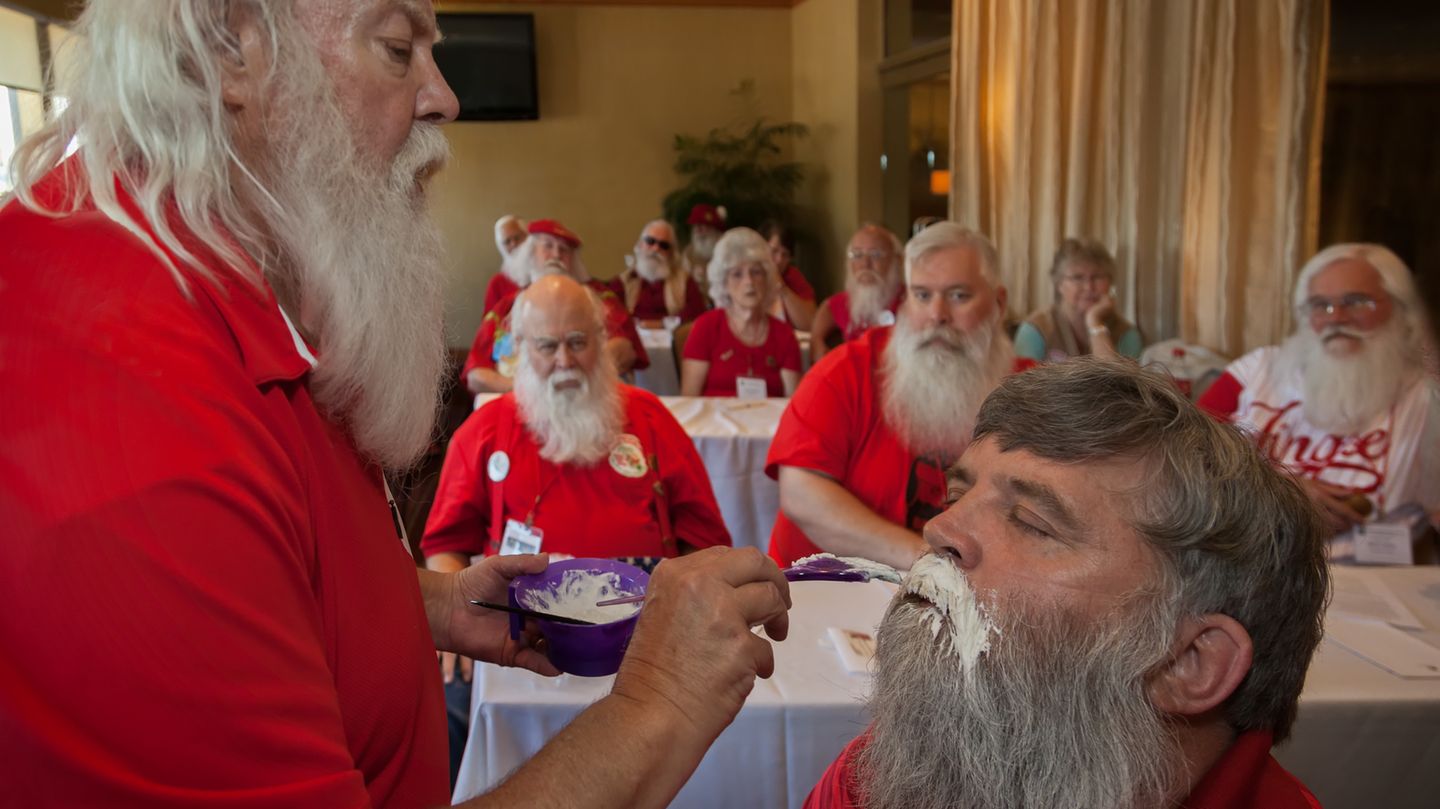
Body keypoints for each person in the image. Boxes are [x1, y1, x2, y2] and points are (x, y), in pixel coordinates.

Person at [0, 2, 792, 807]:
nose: (443, 96)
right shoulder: (135, 422)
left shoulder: (223, 283)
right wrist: (657, 704)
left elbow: (266, 564)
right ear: (228, 47)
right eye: (395, 47)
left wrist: (428, 603)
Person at [806, 358, 1330, 809]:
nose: (940, 529)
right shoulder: (879, 774)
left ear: (1186, 662)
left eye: (1032, 521)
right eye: (956, 496)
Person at [422, 275, 732, 785]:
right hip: (519, 637)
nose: (564, 361)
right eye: (547, 346)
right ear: (520, 350)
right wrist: (457, 626)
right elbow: (445, 546)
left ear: (603, 342)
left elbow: (708, 543)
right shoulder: (483, 431)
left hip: (646, 640)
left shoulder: (651, 419)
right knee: (450, 707)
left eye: (578, 342)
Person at [767, 222, 1030, 569]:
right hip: (830, 591)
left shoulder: (1030, 389)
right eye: (922, 295)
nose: (937, 315)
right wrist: (928, 561)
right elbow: (801, 494)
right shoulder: (848, 370)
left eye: (958, 296)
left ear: (998, 303)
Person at [1198, 243, 1440, 534]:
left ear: (1400, 307)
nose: (1336, 317)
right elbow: (1182, 458)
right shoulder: (1258, 369)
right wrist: (1282, 493)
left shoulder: (1427, 396)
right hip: (1248, 567)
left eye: (1357, 301)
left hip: (1374, 573)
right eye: (1320, 305)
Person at [461, 218, 648, 395]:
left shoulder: (599, 298)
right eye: (548, 246)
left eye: (564, 250)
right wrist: (530, 391)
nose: (557, 255)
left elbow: (624, 349)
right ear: (531, 254)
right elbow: (475, 374)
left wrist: (568, 378)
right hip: (518, 405)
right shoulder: (505, 307)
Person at [680, 227, 803, 398]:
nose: (749, 282)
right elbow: (689, 399)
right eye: (737, 274)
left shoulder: (784, 336)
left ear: (767, 279)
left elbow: (794, 404)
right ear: (724, 283)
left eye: (756, 272)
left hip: (767, 423)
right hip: (714, 423)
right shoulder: (706, 328)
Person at [1014, 237, 1144, 362]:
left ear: (1110, 282)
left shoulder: (1126, 334)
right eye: (1077, 277)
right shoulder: (1035, 329)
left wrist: (1095, 323)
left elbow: (1119, 383)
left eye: (1097, 277)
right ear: (1059, 284)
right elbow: (1023, 383)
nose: (1089, 287)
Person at [809, 224, 906, 364]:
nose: (865, 264)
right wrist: (817, 339)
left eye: (875, 255)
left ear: (896, 260)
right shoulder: (848, 300)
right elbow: (828, 307)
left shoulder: (911, 300)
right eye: (857, 255)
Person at [614, 218, 708, 326]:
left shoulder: (685, 282)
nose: (655, 249)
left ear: (671, 253)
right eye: (650, 241)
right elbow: (612, 314)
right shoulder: (625, 281)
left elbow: (697, 314)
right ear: (640, 244)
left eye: (663, 245)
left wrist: (661, 324)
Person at [758, 219, 818, 330]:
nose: (779, 260)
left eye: (785, 255)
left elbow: (810, 324)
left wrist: (782, 288)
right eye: (774, 251)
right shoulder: (746, 276)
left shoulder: (792, 275)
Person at [480, 214, 529, 318]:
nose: (513, 244)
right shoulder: (497, 283)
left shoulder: (543, 274)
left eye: (517, 238)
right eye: (507, 241)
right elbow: (489, 324)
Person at [681, 202, 726, 295]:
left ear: (715, 229)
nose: (699, 230)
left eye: (703, 225)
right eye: (695, 226)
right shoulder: (688, 254)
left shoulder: (726, 250)